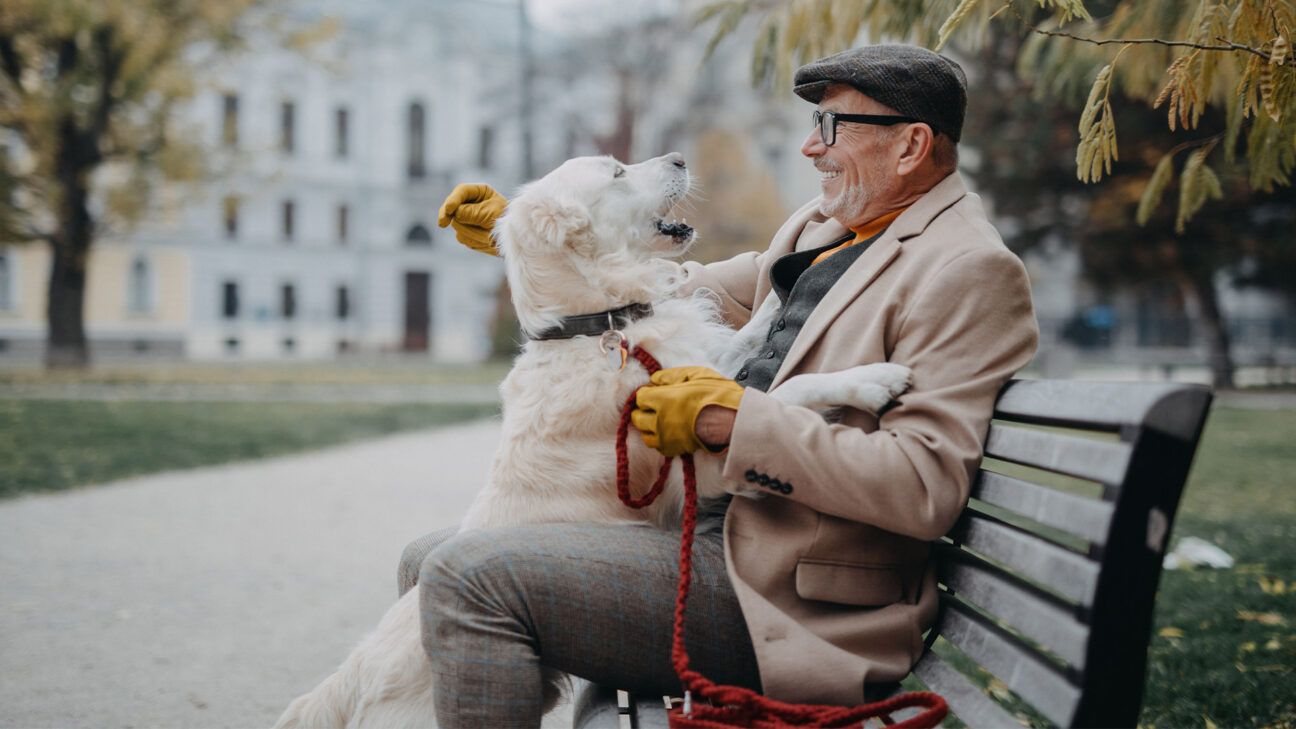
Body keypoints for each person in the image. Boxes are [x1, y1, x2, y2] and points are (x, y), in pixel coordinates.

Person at [414, 44, 1038, 727]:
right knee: (431, 558)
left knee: (466, 575)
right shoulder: (825, 227)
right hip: (716, 538)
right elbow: (682, 288)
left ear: (911, 144)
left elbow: (923, 485)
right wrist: (543, 235)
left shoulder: (968, 268)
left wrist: (732, 421)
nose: (808, 146)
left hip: (785, 599)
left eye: (830, 127)